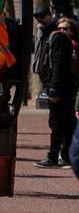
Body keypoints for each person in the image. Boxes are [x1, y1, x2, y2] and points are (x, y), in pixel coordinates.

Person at [37, 16, 78, 168]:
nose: (62, 31)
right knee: (67, 125)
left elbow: (57, 67)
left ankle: (53, 157)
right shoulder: (69, 44)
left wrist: (53, 90)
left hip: (62, 91)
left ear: (72, 30)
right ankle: (65, 156)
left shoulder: (61, 42)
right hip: (68, 90)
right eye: (59, 28)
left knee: (57, 124)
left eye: (66, 28)